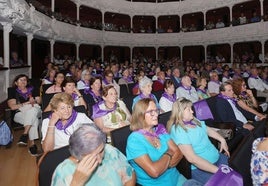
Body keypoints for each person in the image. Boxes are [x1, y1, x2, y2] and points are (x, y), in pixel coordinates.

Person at [126, 98, 199, 186]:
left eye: (156, 110)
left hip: (176, 178)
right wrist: (169, 153)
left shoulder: (159, 130)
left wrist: (163, 166)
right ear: (140, 115)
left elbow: (179, 152)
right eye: (151, 111)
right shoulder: (134, 140)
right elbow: (155, 172)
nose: (156, 114)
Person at [167, 98, 230, 184]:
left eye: (191, 108)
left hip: (217, 156)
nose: (192, 111)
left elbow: (208, 130)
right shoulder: (178, 130)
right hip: (202, 168)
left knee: (237, 175)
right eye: (188, 109)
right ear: (180, 112)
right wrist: (219, 171)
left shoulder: (194, 121)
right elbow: (192, 158)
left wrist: (222, 140)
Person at [51, 124, 136, 186]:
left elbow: (130, 175)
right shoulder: (63, 171)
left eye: (101, 151)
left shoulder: (110, 151)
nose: (99, 160)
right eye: (91, 156)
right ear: (78, 154)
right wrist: (76, 182)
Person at [7, 74, 42, 156]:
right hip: (19, 114)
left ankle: (25, 134)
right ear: (16, 83)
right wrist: (26, 103)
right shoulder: (12, 91)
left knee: (32, 110)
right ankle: (32, 144)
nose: (23, 81)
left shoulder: (33, 89)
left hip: (36, 110)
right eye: (20, 80)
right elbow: (12, 107)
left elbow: (39, 101)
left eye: (25, 80)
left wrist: (34, 101)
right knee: (34, 120)